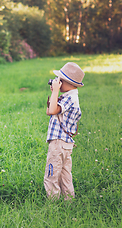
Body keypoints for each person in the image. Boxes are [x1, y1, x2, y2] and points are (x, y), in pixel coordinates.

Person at [44, 62, 85, 200]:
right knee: (64, 174)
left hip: (58, 143)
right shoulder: (70, 97)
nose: (58, 83)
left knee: (51, 174)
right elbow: (49, 111)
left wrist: (56, 91)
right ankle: (69, 201)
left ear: (70, 83)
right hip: (65, 144)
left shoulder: (70, 99)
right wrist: (54, 93)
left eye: (60, 81)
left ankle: (53, 203)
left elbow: (52, 110)